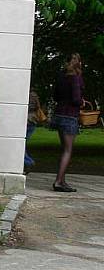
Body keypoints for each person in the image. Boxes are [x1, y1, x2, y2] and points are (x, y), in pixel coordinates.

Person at [51, 53, 84, 192]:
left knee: (64, 149)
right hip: (70, 116)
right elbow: (76, 99)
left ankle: (62, 181)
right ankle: (58, 182)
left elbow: (55, 96)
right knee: (68, 150)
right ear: (79, 63)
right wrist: (81, 102)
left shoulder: (61, 77)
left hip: (59, 114)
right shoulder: (75, 78)